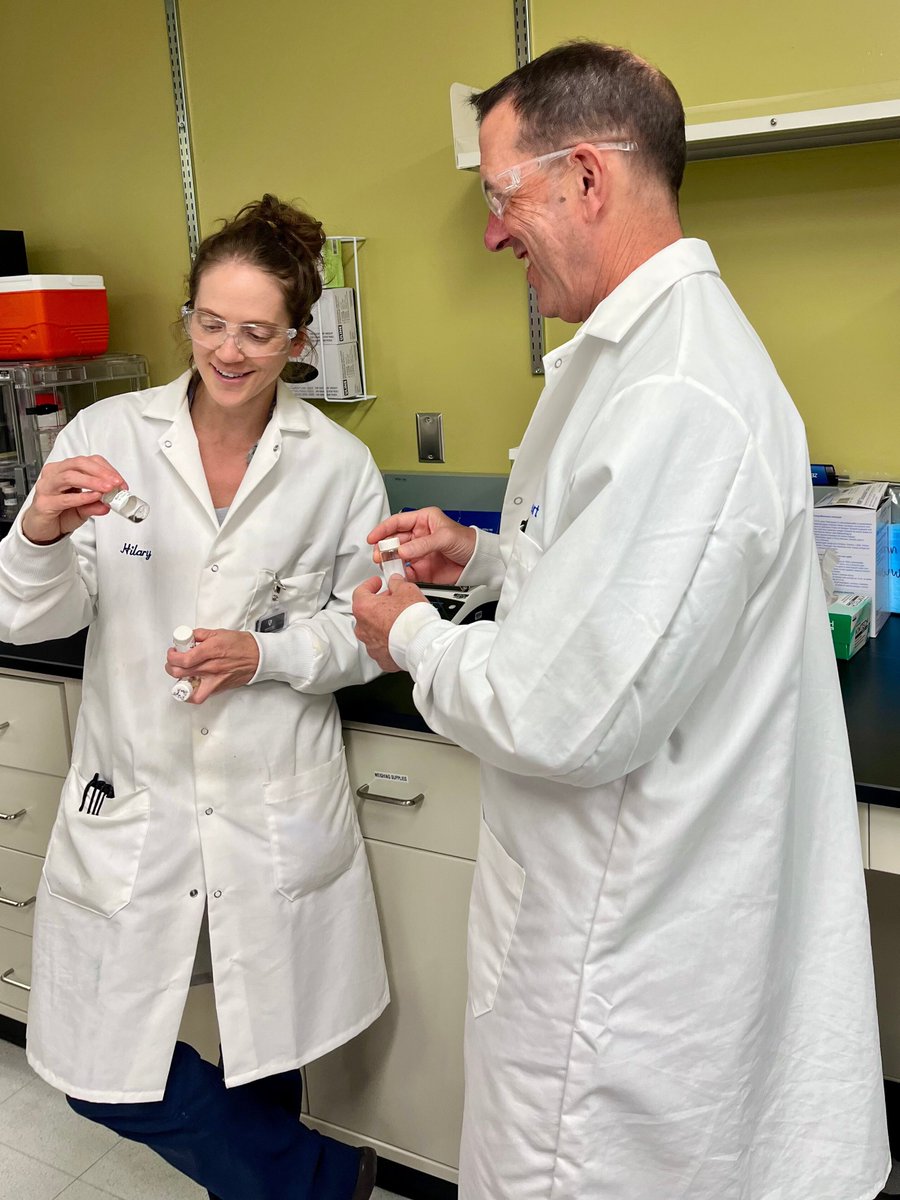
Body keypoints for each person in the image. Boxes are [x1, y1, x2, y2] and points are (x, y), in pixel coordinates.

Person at [352, 41, 890, 1200]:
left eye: (502, 195)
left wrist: (412, 637)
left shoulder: (677, 390)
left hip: (622, 980)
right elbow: (630, 583)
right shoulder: (637, 356)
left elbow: (562, 712)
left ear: (587, 178)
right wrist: (491, 558)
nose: (492, 234)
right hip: (606, 929)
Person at [0, 195, 385, 1200]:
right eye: (210, 322)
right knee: (99, 1065)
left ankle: (282, 1183)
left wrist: (265, 655)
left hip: (270, 802)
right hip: (138, 794)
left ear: (296, 340)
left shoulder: (337, 468)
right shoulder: (107, 433)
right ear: (188, 319)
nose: (227, 350)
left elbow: (365, 633)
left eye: (256, 331)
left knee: (267, 1047)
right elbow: (30, 619)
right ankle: (321, 1183)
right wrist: (38, 535)